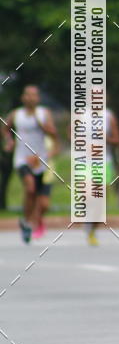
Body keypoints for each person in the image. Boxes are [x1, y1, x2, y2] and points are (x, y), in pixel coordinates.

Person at [3, 85, 58, 244]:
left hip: (39, 160)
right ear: (23, 97)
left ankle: (27, 221)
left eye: (34, 95)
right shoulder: (16, 114)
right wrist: (9, 141)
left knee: (38, 198)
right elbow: (6, 129)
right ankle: (28, 222)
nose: (31, 98)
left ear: (38, 98)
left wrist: (44, 127)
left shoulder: (44, 113)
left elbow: (54, 134)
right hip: (22, 159)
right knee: (30, 187)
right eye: (28, 94)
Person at [85, 106, 119, 246]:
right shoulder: (81, 114)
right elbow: (71, 135)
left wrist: (106, 138)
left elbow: (118, 140)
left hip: (103, 162)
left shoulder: (109, 116)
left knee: (100, 200)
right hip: (85, 161)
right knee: (89, 195)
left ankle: (92, 229)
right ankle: (87, 217)